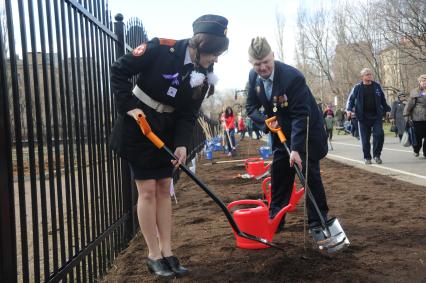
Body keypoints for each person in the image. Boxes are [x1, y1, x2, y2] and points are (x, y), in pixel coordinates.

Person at [109, 14, 229, 278]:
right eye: (213, 53)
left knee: (164, 188)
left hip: (165, 131)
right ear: (199, 45)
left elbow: (188, 114)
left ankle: (167, 251)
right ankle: (153, 254)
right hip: (138, 125)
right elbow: (118, 70)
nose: (216, 60)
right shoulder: (161, 49)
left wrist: (182, 145)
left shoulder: (204, 77)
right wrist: (129, 108)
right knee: (148, 191)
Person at [245, 37, 329, 231]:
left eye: (266, 62)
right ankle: (276, 218)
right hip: (279, 132)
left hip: (306, 130)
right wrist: (265, 123)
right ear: (251, 63)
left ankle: (318, 221)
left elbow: (301, 115)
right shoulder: (253, 77)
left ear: (273, 56)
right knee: (280, 173)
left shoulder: (293, 77)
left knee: (309, 173)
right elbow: (250, 107)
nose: (263, 68)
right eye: (258, 64)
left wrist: (296, 149)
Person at [346, 68, 391, 164]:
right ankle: (367, 157)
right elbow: (351, 100)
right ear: (362, 76)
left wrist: (387, 109)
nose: (370, 76)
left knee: (379, 135)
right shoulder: (357, 87)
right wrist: (349, 110)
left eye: (370, 74)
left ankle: (377, 155)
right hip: (363, 117)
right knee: (365, 139)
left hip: (376, 116)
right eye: (367, 74)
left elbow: (383, 99)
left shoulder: (377, 86)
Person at [403, 74, 426, 158]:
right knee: (418, 137)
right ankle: (416, 150)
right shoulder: (415, 92)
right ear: (419, 82)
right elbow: (409, 105)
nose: (424, 83)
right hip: (418, 118)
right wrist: (406, 116)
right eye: (423, 81)